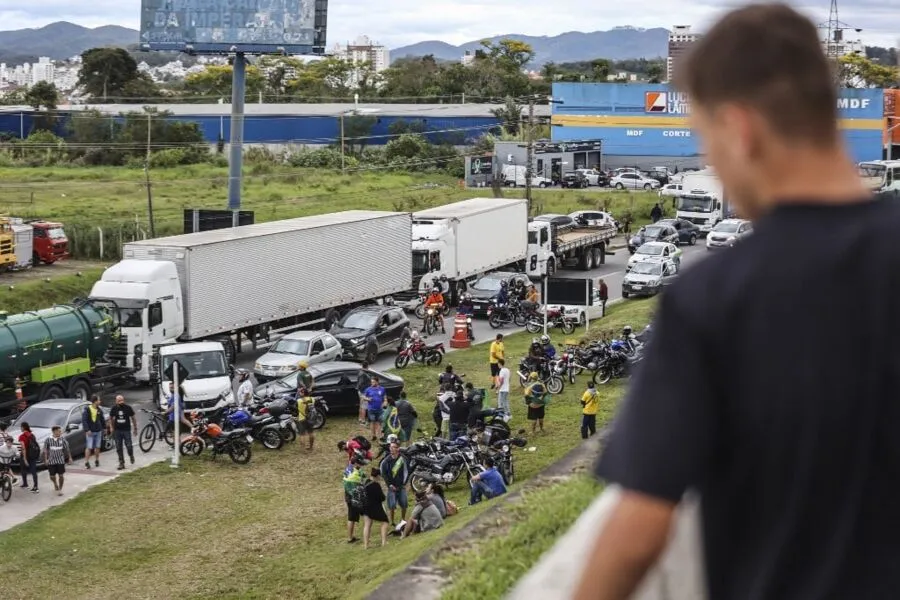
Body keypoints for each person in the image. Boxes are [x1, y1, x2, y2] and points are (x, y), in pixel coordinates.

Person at [574, 5, 900, 599]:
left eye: (707, 139)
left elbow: (642, 525)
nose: (712, 164)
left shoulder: (713, 298)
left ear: (741, 129)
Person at [380, 442, 409, 525]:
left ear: (398, 449)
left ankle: (403, 519)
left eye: (393, 447)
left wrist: (404, 483)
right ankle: (392, 522)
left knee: (404, 504)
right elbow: (384, 474)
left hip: (401, 486)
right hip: (391, 487)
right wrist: (389, 484)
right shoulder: (386, 461)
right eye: (390, 447)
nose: (391, 449)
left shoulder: (403, 459)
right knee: (391, 506)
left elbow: (407, 471)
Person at [107, 394, 137, 470]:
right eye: (119, 401)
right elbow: (110, 418)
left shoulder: (128, 408)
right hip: (117, 431)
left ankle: (131, 455)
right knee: (118, 447)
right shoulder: (114, 408)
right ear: (116, 401)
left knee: (129, 445)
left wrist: (135, 428)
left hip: (126, 430)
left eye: (122, 400)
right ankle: (121, 463)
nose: (121, 402)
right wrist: (111, 427)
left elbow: (133, 418)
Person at [362, 468, 390, 548]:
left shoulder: (365, 482)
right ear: (377, 476)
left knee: (367, 525)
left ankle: (366, 545)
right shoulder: (376, 485)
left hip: (365, 507)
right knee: (385, 522)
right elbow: (382, 498)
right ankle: (384, 542)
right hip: (375, 507)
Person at [342, 456, 367, 543]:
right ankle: (365, 534)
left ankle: (350, 537)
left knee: (351, 517)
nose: (361, 465)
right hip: (356, 497)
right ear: (356, 463)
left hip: (348, 496)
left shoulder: (347, 469)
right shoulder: (357, 472)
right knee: (364, 515)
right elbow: (363, 480)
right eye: (359, 463)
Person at [43, 425, 73, 497]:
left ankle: (60, 489)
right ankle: (55, 483)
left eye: (60, 431)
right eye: (59, 431)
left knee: (61, 475)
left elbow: (67, 449)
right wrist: (46, 459)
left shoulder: (63, 439)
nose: (60, 432)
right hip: (51, 460)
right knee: (52, 476)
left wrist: (70, 458)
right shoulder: (48, 440)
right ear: (54, 431)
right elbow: (45, 450)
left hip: (60, 460)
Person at [81, 394, 106, 469]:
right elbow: (84, 420)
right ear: (95, 401)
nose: (100, 401)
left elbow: (102, 419)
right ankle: (86, 462)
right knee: (89, 447)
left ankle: (97, 460)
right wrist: (87, 430)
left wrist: (104, 428)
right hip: (90, 432)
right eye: (99, 400)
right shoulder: (87, 409)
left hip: (98, 431)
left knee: (97, 447)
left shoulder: (99, 410)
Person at [16, 422, 39, 492]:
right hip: (33, 455)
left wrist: (25, 458)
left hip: (25, 455)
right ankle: (35, 486)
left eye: (21, 427)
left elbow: (23, 448)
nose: (20, 428)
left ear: (23, 427)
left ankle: (25, 484)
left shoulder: (22, 436)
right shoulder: (32, 435)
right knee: (33, 471)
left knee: (23, 469)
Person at [295, 386, 315, 451]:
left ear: (303, 393)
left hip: (302, 418)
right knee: (311, 433)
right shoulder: (312, 399)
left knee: (302, 434)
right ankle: (311, 447)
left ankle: (303, 449)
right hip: (310, 418)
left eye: (300, 392)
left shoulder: (299, 401)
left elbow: (296, 408)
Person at [357, 361, 370, 425]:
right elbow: (360, 383)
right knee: (364, 407)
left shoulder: (360, 372)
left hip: (361, 392)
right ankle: (363, 421)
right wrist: (363, 392)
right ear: (367, 366)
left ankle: (360, 418)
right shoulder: (363, 374)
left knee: (361, 406)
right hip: (363, 392)